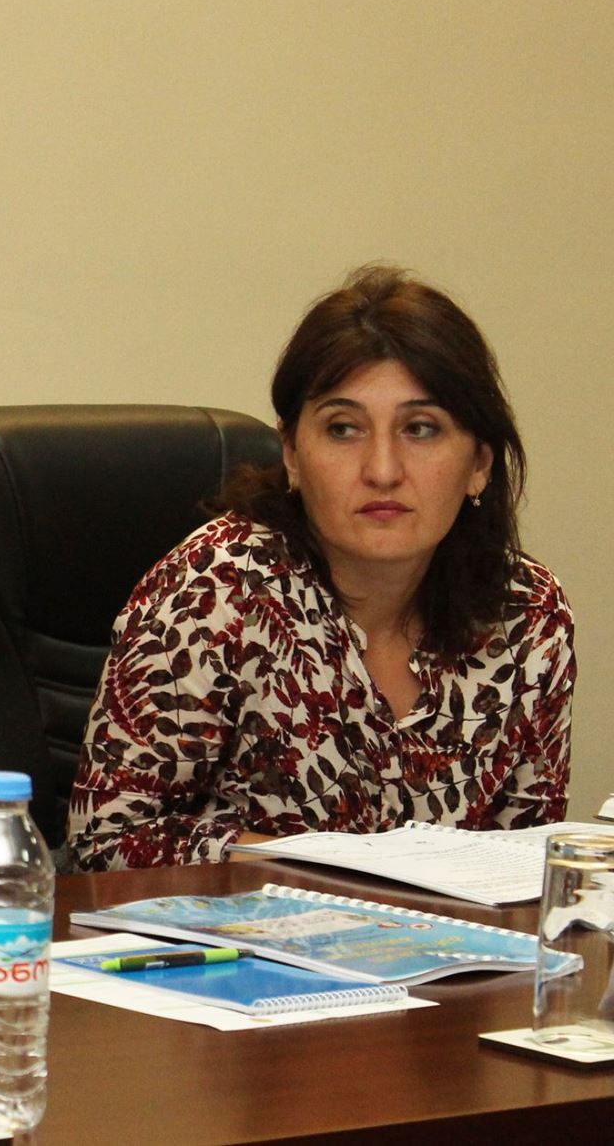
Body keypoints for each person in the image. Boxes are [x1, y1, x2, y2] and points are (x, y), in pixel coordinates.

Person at [68, 265, 574, 871]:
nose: (382, 470)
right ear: (292, 453)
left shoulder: (526, 615)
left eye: (420, 429)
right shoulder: (216, 591)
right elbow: (106, 842)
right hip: (239, 930)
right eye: (343, 429)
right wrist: (332, 870)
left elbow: (526, 866)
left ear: (479, 465)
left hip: (446, 937)